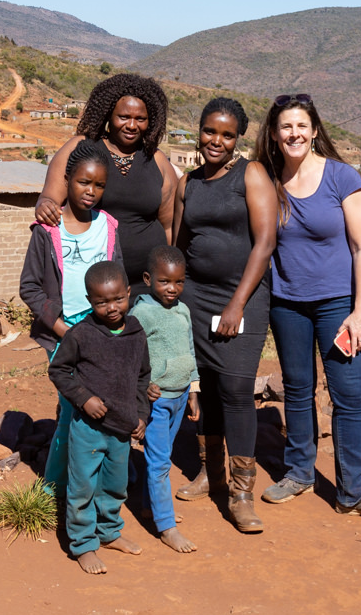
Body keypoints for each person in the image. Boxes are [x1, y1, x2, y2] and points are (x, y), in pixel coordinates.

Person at [255, 93, 361, 522]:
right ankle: (299, 473)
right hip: (287, 306)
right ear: (275, 134)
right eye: (286, 126)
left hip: (337, 305)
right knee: (298, 391)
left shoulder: (341, 177)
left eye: (301, 125)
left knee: (348, 398)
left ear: (315, 130)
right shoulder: (267, 180)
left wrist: (360, 312)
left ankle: (355, 490)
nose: (294, 133)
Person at [172, 98, 277, 533]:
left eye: (227, 134)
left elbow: (265, 242)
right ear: (198, 131)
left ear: (238, 139)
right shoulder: (188, 183)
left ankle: (241, 492)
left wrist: (235, 304)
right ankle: (210, 472)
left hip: (243, 297)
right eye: (210, 131)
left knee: (235, 388)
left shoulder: (250, 175)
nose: (217, 141)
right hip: (196, 298)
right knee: (209, 387)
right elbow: (178, 243)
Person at [19, 139, 121, 494]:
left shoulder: (108, 228)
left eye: (99, 185)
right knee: (75, 404)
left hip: (99, 332)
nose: (90, 191)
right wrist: (61, 327)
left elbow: (118, 281)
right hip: (61, 332)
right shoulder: (47, 230)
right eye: (83, 182)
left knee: (85, 410)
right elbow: (30, 288)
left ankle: (84, 483)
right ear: (67, 180)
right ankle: (54, 490)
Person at [35, 73, 180, 298]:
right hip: (96, 288)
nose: (132, 125)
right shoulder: (81, 149)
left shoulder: (158, 161)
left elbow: (169, 226)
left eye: (140, 119)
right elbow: (49, 198)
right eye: (123, 116)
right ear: (108, 116)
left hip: (148, 288)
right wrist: (44, 205)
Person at [49, 261, 151, 575]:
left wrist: (141, 415)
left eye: (118, 299)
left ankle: (108, 533)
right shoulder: (81, 335)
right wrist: (84, 398)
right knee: (82, 487)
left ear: (129, 293)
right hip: (88, 428)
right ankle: (83, 544)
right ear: (90, 301)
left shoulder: (135, 333)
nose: (111, 308)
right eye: (101, 302)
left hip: (121, 429)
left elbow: (142, 377)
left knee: (115, 485)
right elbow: (58, 370)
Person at [129, 245, 200, 553]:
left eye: (179, 282)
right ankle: (166, 527)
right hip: (156, 402)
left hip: (180, 395)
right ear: (148, 279)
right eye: (165, 282)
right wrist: (143, 384)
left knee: (162, 455)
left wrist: (194, 389)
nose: (173, 289)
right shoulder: (142, 313)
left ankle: (151, 507)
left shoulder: (183, 310)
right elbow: (129, 355)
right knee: (160, 463)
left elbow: (190, 351)